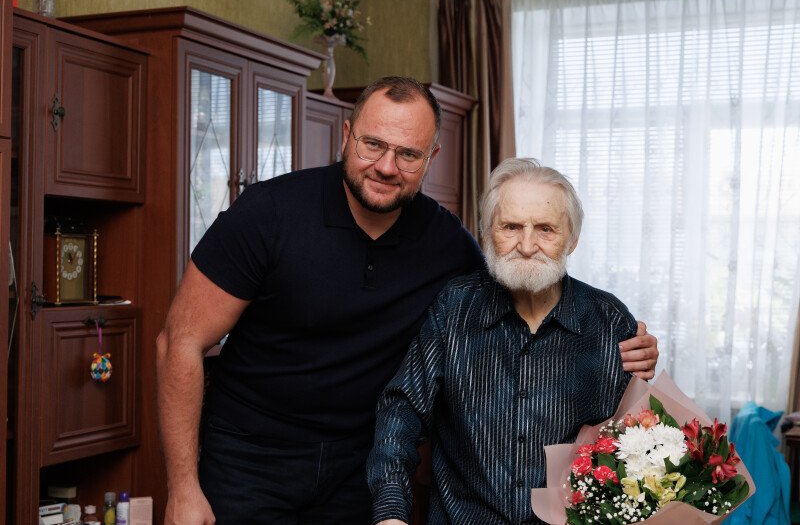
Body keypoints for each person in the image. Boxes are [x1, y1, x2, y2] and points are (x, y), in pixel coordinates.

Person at [156, 77, 658, 524]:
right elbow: (178, 343)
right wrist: (182, 488)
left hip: (357, 467)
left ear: (431, 157)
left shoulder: (448, 245)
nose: (386, 166)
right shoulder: (267, 213)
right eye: (372, 144)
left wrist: (626, 341)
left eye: (408, 154)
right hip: (248, 456)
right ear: (346, 134)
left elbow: (522, 280)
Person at [368, 158, 643, 525]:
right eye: (511, 227)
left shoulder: (609, 321)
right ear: (487, 232)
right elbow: (401, 414)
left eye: (545, 229)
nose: (526, 246)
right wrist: (391, 512)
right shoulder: (454, 307)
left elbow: (637, 444)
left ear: (572, 239)